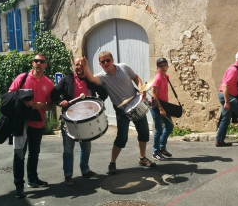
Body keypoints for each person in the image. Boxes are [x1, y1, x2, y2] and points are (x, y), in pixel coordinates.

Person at [81, 52, 155, 174]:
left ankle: (142, 158)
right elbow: (91, 78)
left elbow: (136, 78)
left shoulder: (124, 67)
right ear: (100, 64)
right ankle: (112, 163)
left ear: (112, 60)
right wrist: (86, 66)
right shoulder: (102, 76)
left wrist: (142, 90)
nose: (106, 63)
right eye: (103, 61)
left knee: (144, 132)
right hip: (121, 110)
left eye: (108, 60)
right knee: (122, 138)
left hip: (136, 104)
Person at [51, 58, 107, 186]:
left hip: (86, 120)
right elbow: (54, 93)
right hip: (69, 119)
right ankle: (68, 175)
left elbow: (104, 93)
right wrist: (60, 102)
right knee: (68, 149)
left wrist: (95, 104)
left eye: (81, 65)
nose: (79, 67)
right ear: (73, 66)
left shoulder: (90, 80)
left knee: (86, 147)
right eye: (77, 64)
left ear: (85, 66)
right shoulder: (67, 80)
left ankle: (85, 170)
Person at [9, 53, 54, 198]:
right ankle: (19, 186)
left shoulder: (49, 83)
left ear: (45, 64)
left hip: (37, 123)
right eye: (36, 61)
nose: (38, 63)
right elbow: (10, 94)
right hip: (21, 122)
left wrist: (41, 105)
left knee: (34, 154)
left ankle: (33, 180)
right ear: (32, 63)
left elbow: (50, 106)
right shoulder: (22, 78)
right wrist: (24, 102)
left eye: (41, 61)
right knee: (19, 154)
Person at [150, 58, 174, 160]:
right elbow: (154, 95)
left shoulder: (166, 77)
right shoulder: (158, 78)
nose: (163, 67)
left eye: (165, 65)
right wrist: (161, 109)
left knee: (169, 126)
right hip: (156, 107)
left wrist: (165, 108)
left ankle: (161, 147)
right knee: (158, 130)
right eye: (161, 66)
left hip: (164, 106)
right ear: (157, 68)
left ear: (168, 67)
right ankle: (155, 152)